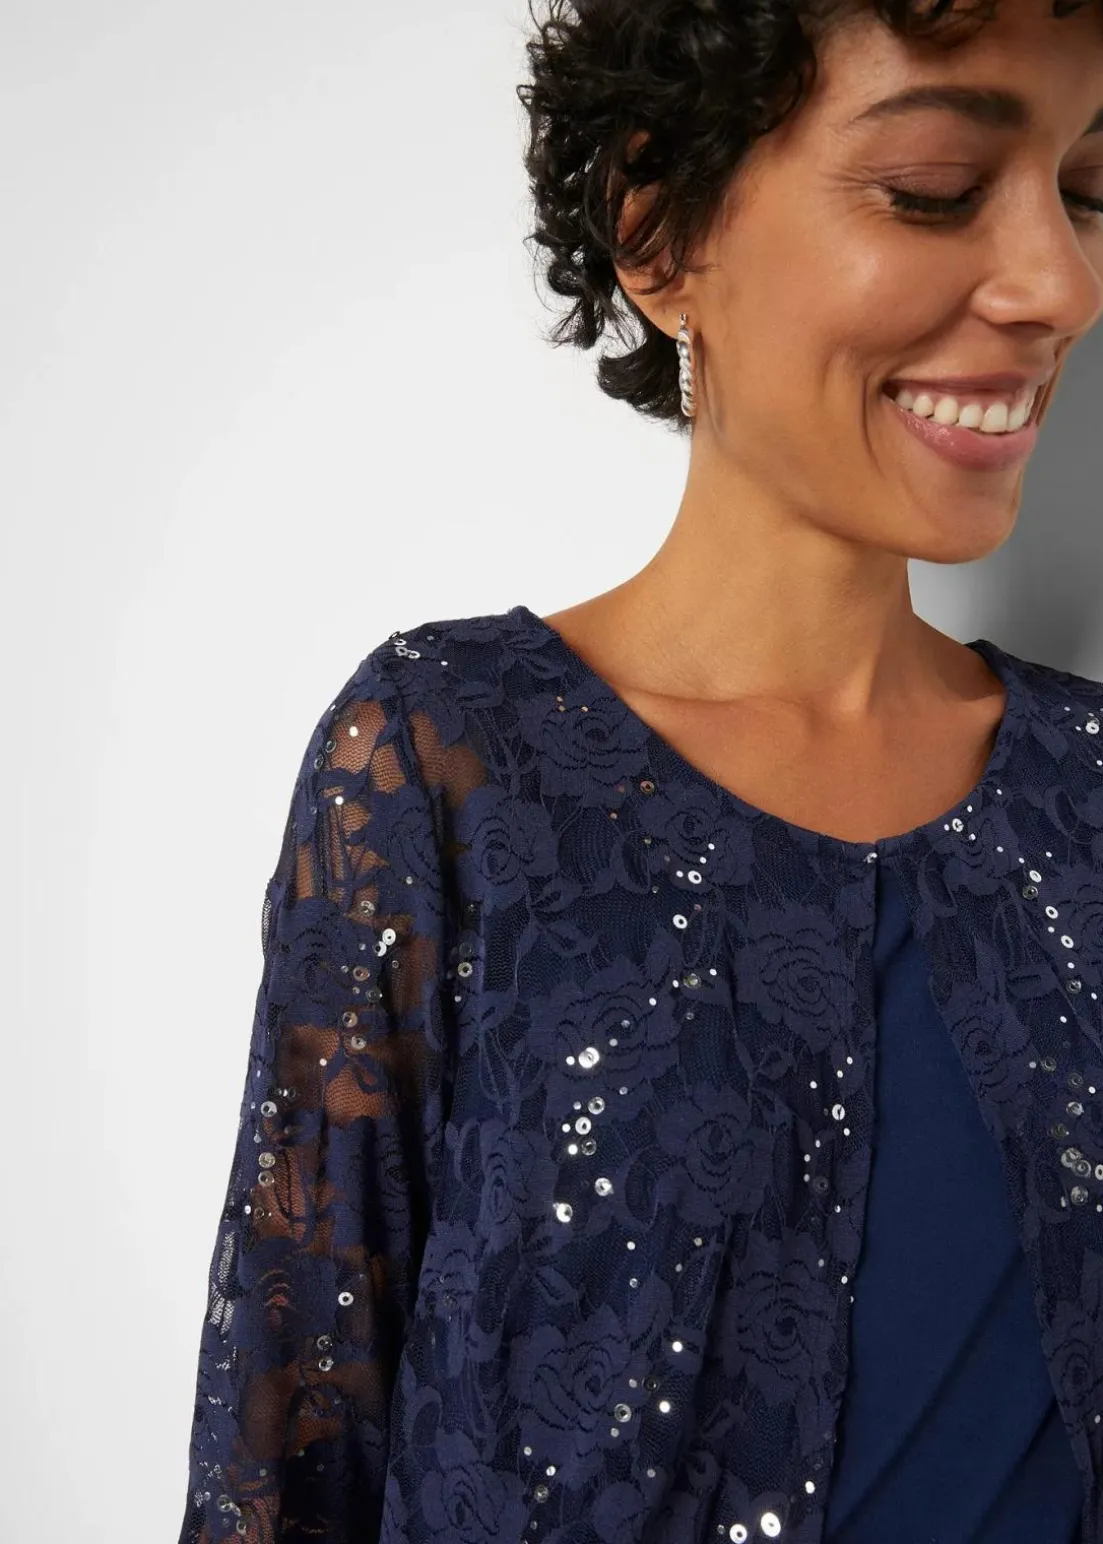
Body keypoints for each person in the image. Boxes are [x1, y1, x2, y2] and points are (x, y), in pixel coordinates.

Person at [176, 1, 1103, 1540]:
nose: (1060, 283)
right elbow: (287, 1448)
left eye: (1085, 191)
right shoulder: (449, 762)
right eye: (935, 189)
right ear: (657, 227)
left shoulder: (1088, 799)